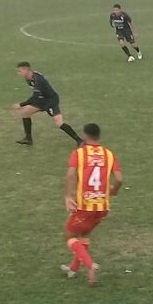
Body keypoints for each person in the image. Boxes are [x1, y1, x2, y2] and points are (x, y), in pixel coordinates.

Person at [61, 123, 122, 287]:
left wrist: (68, 196)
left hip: (84, 205)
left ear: (85, 136)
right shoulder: (109, 154)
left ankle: (90, 266)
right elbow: (120, 179)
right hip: (102, 206)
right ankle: (73, 269)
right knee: (84, 235)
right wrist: (114, 190)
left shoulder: (79, 153)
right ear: (99, 136)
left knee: (69, 236)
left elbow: (70, 174)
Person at [12, 62, 84, 146]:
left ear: (26, 70)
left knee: (59, 123)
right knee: (25, 113)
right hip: (41, 99)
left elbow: (34, 97)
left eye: (20, 71)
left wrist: (21, 104)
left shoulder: (37, 80)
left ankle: (80, 141)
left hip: (50, 101)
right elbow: (36, 96)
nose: (18, 73)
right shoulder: (28, 77)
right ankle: (28, 139)